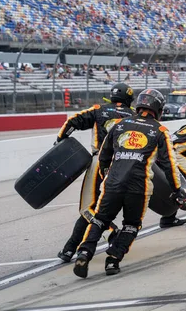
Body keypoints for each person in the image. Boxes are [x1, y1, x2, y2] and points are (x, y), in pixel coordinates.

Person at [73, 89, 185, 277]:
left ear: (139, 104)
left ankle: (84, 253)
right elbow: (169, 165)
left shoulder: (119, 125)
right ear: (158, 109)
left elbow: (103, 155)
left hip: (113, 184)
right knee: (131, 225)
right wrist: (177, 189)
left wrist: (106, 176)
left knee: (100, 219)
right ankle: (113, 261)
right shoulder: (160, 130)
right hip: (139, 188)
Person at [55, 83, 135, 263]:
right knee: (98, 207)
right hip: (127, 164)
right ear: (129, 99)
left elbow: (72, 122)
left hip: (101, 161)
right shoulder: (134, 115)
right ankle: (69, 249)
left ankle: (110, 232)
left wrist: (60, 141)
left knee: (87, 208)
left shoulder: (99, 109)